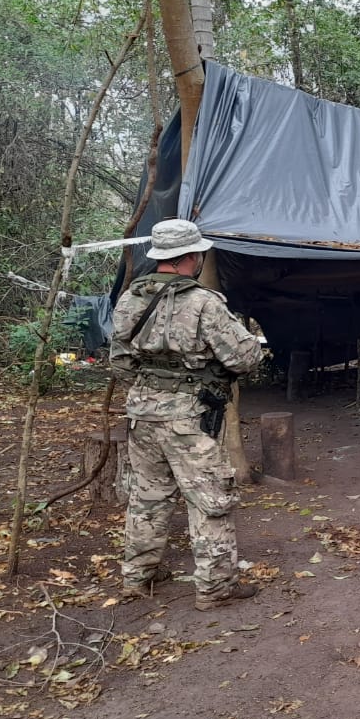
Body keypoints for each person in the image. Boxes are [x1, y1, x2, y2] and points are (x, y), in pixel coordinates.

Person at [111, 219, 264, 611]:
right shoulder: (204, 303)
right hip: (189, 418)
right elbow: (243, 357)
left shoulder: (131, 299)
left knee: (147, 498)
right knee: (210, 500)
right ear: (192, 257)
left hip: (142, 415)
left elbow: (120, 364)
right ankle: (214, 588)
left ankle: (136, 578)